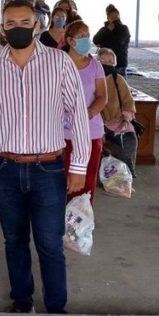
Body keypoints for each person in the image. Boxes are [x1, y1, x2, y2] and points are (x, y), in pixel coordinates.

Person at [0, 0, 90, 314]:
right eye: (11, 23)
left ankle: (56, 308)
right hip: (4, 169)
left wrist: (79, 166)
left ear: (37, 25)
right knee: (14, 239)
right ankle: (22, 302)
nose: (18, 28)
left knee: (50, 242)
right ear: (3, 28)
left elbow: (77, 115)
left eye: (25, 22)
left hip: (48, 168)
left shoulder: (59, 63)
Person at [62, 20, 107, 202]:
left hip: (91, 132)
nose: (86, 40)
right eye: (81, 36)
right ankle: (60, 217)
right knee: (62, 179)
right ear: (70, 41)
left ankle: (82, 217)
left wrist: (87, 114)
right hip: (63, 133)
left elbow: (102, 97)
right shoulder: (59, 65)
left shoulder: (95, 66)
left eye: (87, 35)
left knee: (87, 180)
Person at [98, 48, 138, 176]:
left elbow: (128, 102)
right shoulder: (92, 79)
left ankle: (126, 175)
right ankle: (106, 176)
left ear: (114, 63)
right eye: (102, 60)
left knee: (129, 142)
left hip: (118, 122)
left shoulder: (118, 79)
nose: (106, 64)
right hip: (97, 123)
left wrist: (125, 120)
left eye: (110, 61)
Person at [93, 4, 132, 76]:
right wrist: (107, 31)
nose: (114, 19)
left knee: (119, 82)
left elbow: (118, 43)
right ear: (108, 18)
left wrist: (103, 43)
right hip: (104, 65)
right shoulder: (104, 29)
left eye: (116, 17)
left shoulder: (124, 29)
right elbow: (95, 40)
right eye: (112, 17)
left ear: (119, 16)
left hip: (119, 65)